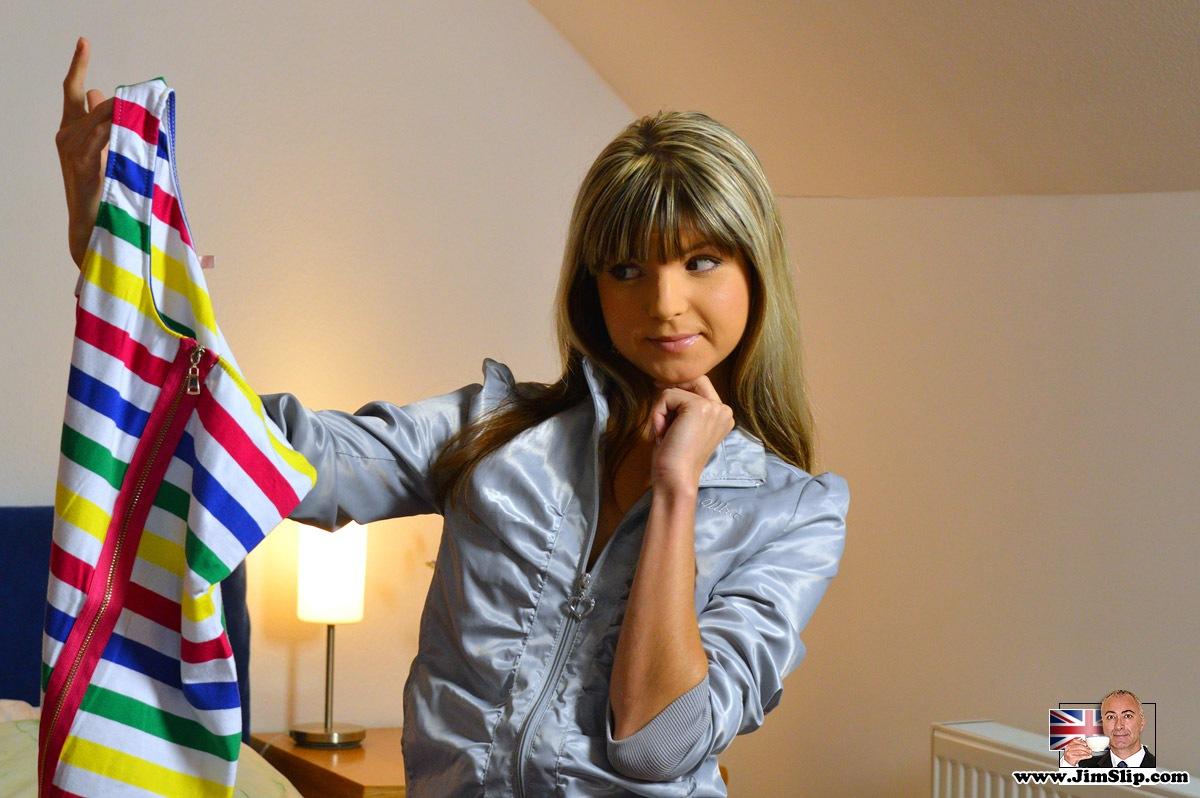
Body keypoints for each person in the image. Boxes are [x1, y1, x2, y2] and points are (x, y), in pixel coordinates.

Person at [57, 37, 849, 797]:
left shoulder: (796, 515)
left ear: (756, 268)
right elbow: (272, 459)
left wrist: (677, 490)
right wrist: (119, 273)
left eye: (701, 260)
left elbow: (654, 743)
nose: (664, 302)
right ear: (593, 288)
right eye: (627, 268)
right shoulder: (493, 432)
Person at [1061, 690, 1156, 768]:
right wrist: (1067, 765)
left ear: (1142, 722)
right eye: (1111, 717)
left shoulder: (1159, 768)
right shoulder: (1082, 767)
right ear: (1102, 724)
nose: (1118, 726)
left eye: (1127, 716)